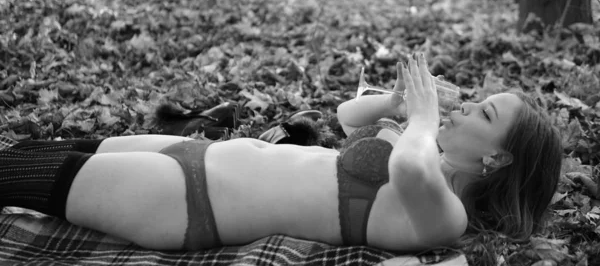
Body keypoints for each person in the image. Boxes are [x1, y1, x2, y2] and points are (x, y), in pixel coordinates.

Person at [0, 53, 562, 251]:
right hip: (201, 153)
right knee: (49, 148)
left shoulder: (444, 213)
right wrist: (392, 101)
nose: (467, 108)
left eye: (485, 114)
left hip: (187, 203)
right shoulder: (422, 148)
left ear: (499, 161)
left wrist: (422, 118)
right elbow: (345, 119)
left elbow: (407, 165)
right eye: (479, 101)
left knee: (16, 171)